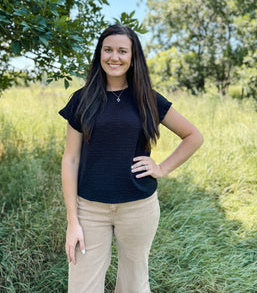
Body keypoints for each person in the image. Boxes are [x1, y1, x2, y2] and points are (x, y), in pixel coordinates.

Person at [59, 23, 203, 293]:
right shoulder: (82, 100)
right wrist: (72, 221)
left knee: (134, 285)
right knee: (82, 286)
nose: (114, 57)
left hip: (138, 207)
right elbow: (70, 160)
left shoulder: (148, 98)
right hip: (89, 208)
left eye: (122, 51)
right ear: (99, 54)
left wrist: (161, 167)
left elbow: (193, 136)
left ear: (133, 56)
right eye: (108, 50)